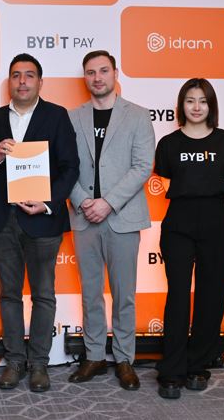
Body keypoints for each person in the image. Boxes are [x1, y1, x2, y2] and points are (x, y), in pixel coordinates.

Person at [0, 53, 79, 392]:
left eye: (29, 75)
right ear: (9, 81)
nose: (22, 81)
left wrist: (48, 203)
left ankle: (39, 364)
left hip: (43, 219)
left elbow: (70, 167)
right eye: (16, 75)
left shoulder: (57, 116)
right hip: (2, 218)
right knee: (8, 294)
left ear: (39, 82)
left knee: (43, 295)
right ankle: (14, 361)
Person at [67, 50, 154, 390]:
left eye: (103, 70)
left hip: (122, 217)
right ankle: (93, 356)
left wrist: (108, 203)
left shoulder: (138, 115)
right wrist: (83, 200)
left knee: (124, 294)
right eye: (91, 72)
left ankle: (124, 359)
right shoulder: (72, 118)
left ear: (115, 73)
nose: (97, 77)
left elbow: (142, 166)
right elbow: (65, 166)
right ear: (85, 78)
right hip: (83, 216)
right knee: (90, 293)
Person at [153, 78, 224, 399]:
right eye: (190, 100)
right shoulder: (168, 143)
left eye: (203, 101)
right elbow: (165, 184)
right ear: (182, 105)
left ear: (211, 105)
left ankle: (198, 364)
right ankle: (172, 370)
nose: (197, 107)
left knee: (211, 295)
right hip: (179, 223)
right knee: (178, 295)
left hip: (217, 222)